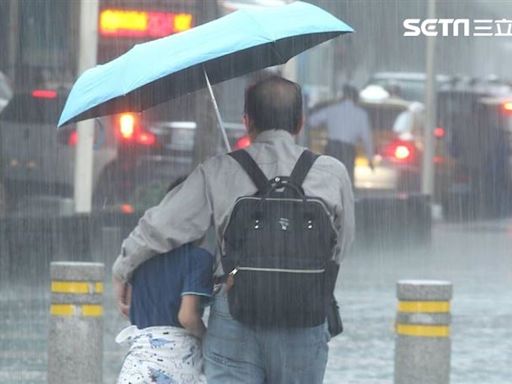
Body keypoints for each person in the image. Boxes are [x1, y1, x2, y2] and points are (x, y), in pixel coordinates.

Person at [112, 76, 355, 383]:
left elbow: (160, 227)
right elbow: (340, 246)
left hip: (236, 312)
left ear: (246, 121)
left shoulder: (219, 169)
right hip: (304, 315)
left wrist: (122, 267)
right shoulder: (332, 172)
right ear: (300, 122)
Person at [115, 178, 213, 384]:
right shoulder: (198, 259)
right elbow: (187, 317)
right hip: (174, 369)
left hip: (135, 369)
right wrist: (210, 340)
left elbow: (128, 310)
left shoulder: (137, 258)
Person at [309, 84, 374, 184]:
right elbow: (366, 138)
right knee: (346, 181)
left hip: (331, 148)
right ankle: (344, 198)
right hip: (348, 150)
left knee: (329, 179)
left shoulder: (331, 110)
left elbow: (312, 121)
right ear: (355, 98)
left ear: (342, 96)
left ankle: (329, 198)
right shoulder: (361, 114)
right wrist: (370, 158)